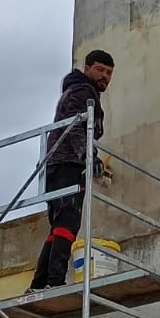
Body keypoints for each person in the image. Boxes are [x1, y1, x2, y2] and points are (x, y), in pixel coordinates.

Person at [28, 49, 115, 291]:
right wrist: (90, 157)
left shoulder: (77, 90)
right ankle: (54, 282)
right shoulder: (82, 91)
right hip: (67, 163)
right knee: (67, 223)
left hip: (57, 163)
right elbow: (76, 127)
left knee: (58, 225)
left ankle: (39, 282)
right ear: (87, 68)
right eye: (100, 69)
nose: (105, 76)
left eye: (109, 73)